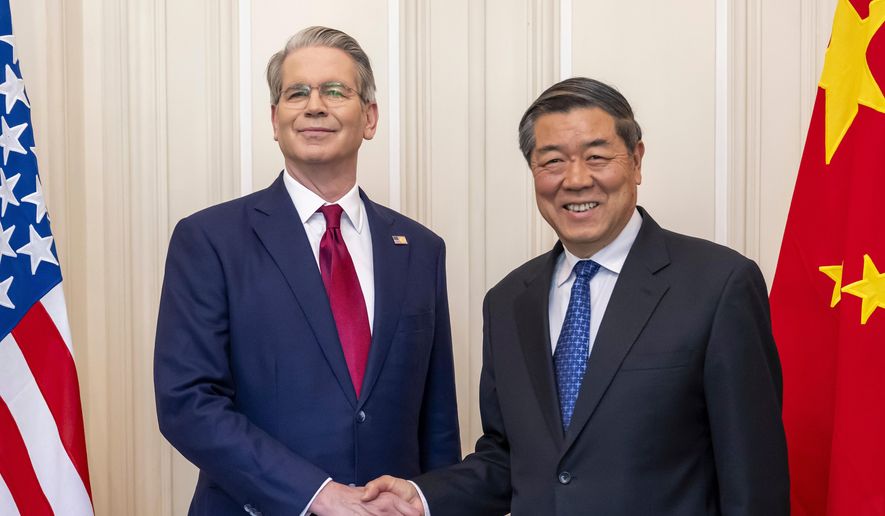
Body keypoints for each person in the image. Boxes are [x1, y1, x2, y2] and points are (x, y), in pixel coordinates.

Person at [363, 77, 789, 515]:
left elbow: (753, 480)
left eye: (597, 157)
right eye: (552, 161)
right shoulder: (508, 301)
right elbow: (508, 459)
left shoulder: (719, 285)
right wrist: (424, 496)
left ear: (637, 161)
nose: (576, 179)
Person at [154, 26, 460, 516]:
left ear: (370, 118)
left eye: (335, 91)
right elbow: (187, 403)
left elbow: (437, 416)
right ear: (276, 120)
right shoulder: (210, 239)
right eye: (297, 93)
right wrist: (315, 493)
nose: (315, 105)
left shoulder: (421, 249)